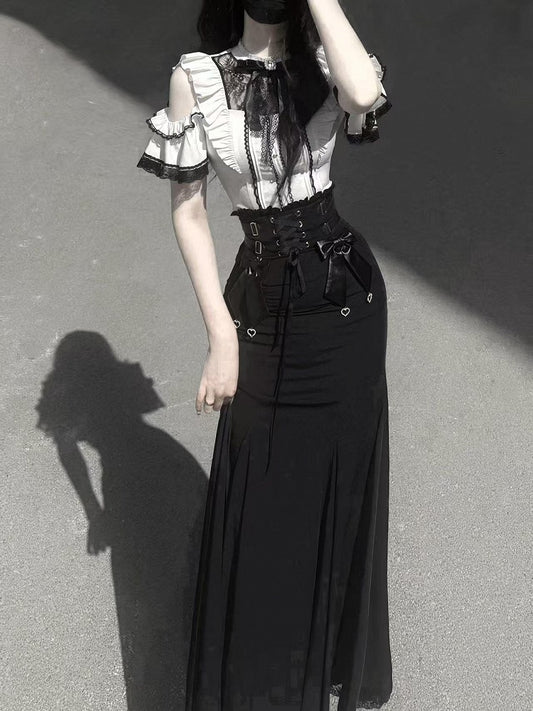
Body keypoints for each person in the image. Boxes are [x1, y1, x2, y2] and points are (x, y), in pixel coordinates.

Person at [137, 0, 393, 708]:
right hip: (260, 309)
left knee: (339, 490)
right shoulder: (197, 76)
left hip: (345, 309)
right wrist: (220, 335)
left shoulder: (325, 61)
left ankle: (324, 665)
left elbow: (363, 96)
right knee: (262, 502)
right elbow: (188, 209)